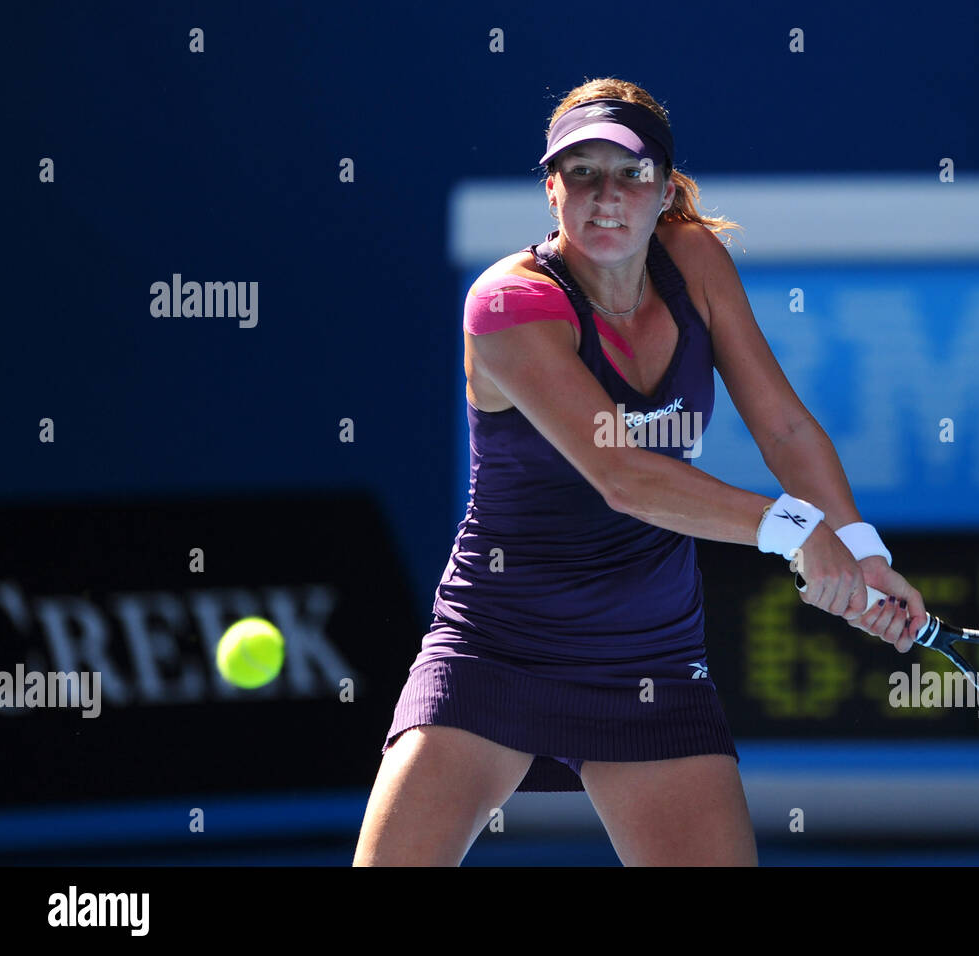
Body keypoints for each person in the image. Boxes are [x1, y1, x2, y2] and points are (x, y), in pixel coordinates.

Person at [353, 77, 927, 867]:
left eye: (628, 174)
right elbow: (621, 474)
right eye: (581, 173)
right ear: (551, 189)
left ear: (664, 191)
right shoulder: (508, 304)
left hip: (650, 657)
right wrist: (795, 528)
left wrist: (863, 550)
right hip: (496, 648)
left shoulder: (695, 262)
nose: (605, 197)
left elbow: (786, 425)